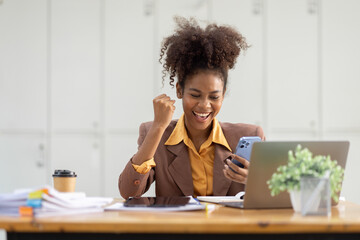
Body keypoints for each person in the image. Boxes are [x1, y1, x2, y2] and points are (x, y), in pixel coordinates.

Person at [119, 17, 265, 199]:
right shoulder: (155, 133)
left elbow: (277, 196)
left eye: (214, 97)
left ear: (223, 94)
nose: (204, 105)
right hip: (179, 227)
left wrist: (257, 180)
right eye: (195, 95)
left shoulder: (249, 135)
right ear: (179, 90)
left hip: (228, 227)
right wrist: (158, 127)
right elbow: (129, 192)